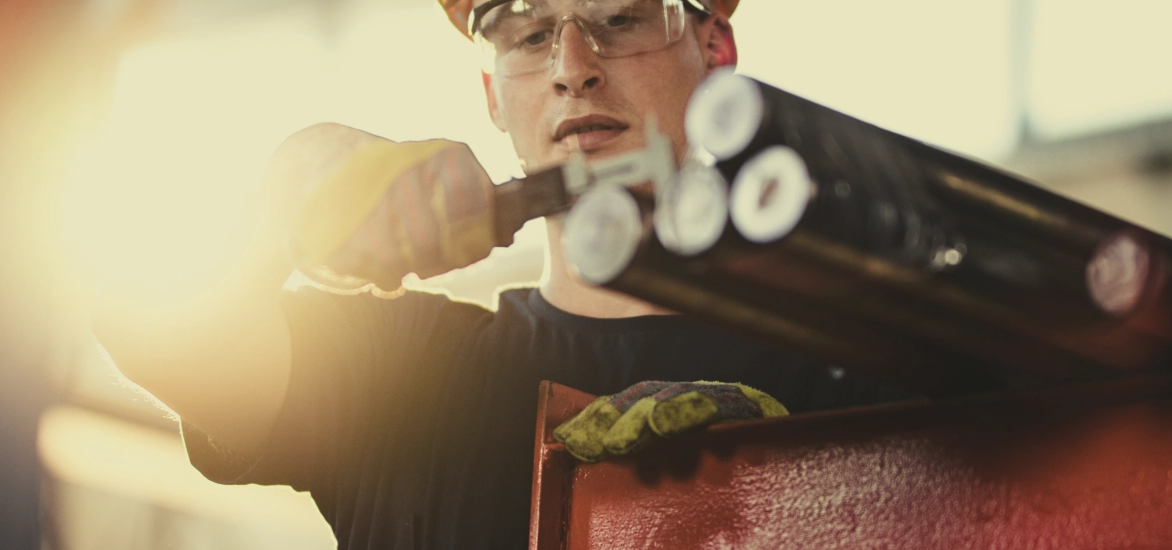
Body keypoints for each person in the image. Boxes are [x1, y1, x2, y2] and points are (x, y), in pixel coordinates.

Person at [93, 1, 910, 548]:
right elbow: (147, 323)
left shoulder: (872, 362)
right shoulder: (400, 379)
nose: (573, 66)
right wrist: (300, 181)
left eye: (620, 17)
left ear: (716, 52)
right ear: (493, 93)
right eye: (528, 35)